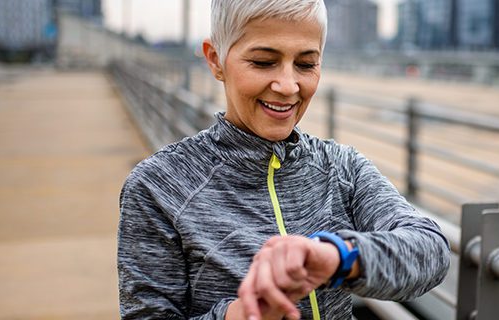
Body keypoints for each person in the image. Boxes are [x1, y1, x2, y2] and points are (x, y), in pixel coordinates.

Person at [117, 0, 450, 319]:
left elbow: (430, 251)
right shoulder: (156, 187)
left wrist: (337, 256)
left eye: (306, 64)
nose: (288, 85)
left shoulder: (341, 167)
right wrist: (241, 314)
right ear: (216, 60)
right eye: (263, 62)